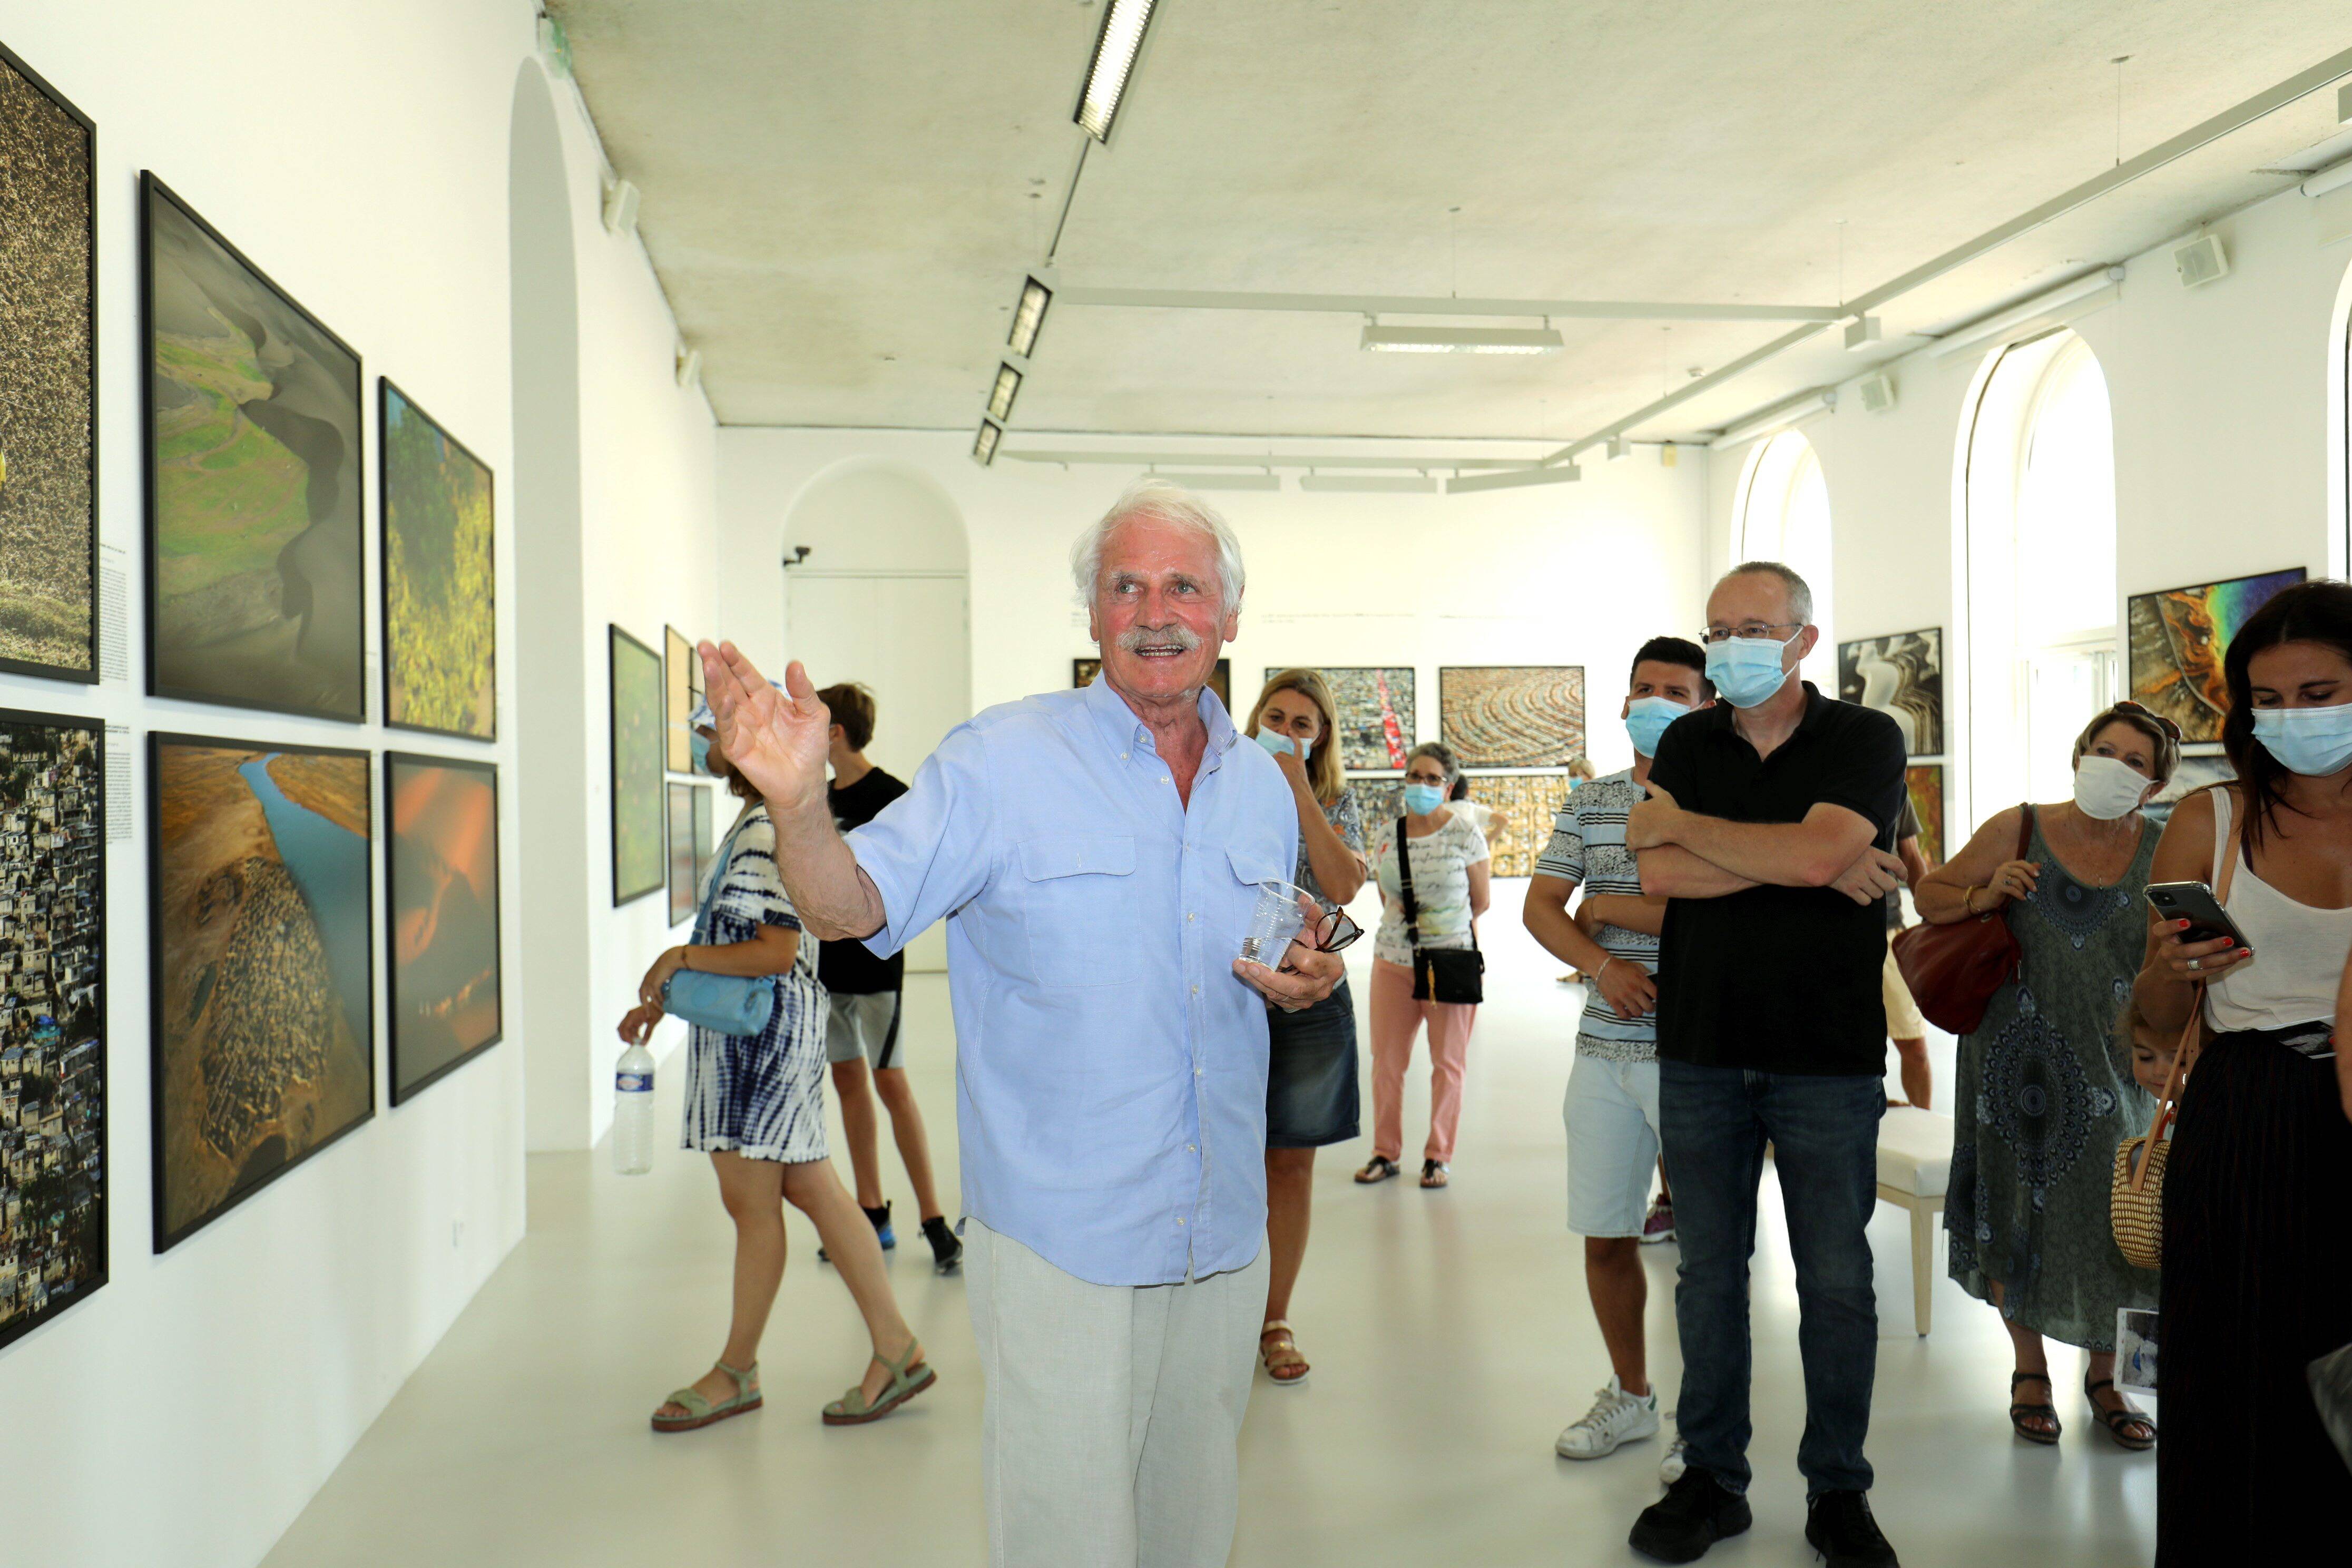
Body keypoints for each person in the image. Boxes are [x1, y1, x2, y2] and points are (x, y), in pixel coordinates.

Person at [697, 479, 1345, 1568]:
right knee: (1065, 1538)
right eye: (1125, 586)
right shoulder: (1002, 760)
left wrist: (1306, 976)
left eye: (1183, 587)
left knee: (1194, 1527)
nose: (1154, 613)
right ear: (1091, 613)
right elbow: (852, 909)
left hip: (1222, 1233)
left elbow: (1262, 947)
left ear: (1230, 615)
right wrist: (800, 807)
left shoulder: (1261, 788)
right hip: (1063, 1241)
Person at [1624, 562, 1909, 1568]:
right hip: (1700, 1046)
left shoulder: (1864, 737)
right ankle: (1711, 1478)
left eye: (1752, 628)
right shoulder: (1686, 740)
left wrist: (1729, 842)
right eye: (1716, 629)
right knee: (1706, 1274)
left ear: (1800, 639)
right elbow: (1657, 873)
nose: (1728, 646)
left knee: (1834, 1279)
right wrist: (1802, 860)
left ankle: (1837, 1490)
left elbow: (1811, 856)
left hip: (1824, 1053)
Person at [623, 703, 931, 1434]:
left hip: (757, 1049)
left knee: (753, 1206)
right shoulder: (763, 823)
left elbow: (774, 950)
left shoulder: (765, 828)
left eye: (711, 735)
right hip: (759, 1039)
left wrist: (676, 958)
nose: (704, 745)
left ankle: (737, 1371)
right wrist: (667, 993)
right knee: (811, 1188)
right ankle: (897, 1349)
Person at [2132, 580, 2352, 1562]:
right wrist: (2171, 970)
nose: (2292, 718)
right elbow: (2154, 1021)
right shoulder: (2211, 819)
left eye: (2318, 694)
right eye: (2268, 700)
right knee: (2237, 1379)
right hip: (2247, 1117)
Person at [1915, 701, 2175, 1450]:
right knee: (2015, 1205)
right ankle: (2028, 1368)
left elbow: (2181, 954)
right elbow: (1930, 896)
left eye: (2135, 761)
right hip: (2012, 1061)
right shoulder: (2020, 826)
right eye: (2104, 750)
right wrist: (1985, 892)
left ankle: (2108, 1376)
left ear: (2155, 785)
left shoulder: (2166, 848)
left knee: (2122, 1216)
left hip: (2122, 1063)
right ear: (2079, 754)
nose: (2114, 767)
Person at [1523, 636, 1712, 1465]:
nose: (1656, 703)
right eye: (1644, 688)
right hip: (1603, 1051)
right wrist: (1603, 964)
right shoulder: (1593, 799)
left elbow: (1726, 916)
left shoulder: (1725, 800)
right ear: (1623, 701)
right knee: (1606, 1235)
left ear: (1708, 706)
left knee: (1708, 1253)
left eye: (1677, 691)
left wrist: (1607, 910)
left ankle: (1705, 1428)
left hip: (1697, 1053)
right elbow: (1540, 906)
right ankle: (1631, 1396)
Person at [1243, 669, 1368, 1387]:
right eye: (1276, 718)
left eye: (1302, 725)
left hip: (1311, 1002)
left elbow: (1344, 886)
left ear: (1320, 739)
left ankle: (1274, 1318)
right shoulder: (1217, 785)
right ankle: (1215, 1309)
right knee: (1216, 1156)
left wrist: (1298, 791)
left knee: (1290, 1164)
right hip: (1227, 997)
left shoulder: (1336, 800)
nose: (1286, 732)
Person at [812, 680, 961, 1273]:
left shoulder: (894, 797)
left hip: (877, 970)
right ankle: (872, 1211)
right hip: (827, 973)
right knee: (848, 1083)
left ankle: (933, 1219)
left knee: (891, 1085)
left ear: (835, 733)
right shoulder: (816, 800)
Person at [1357, 741, 1490, 1191]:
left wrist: (1440, 928)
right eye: (1415, 776)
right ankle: (1385, 1152)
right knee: (1386, 1064)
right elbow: (1386, 898)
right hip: (1392, 960)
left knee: (1448, 1064)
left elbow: (1481, 901)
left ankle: (1438, 1156)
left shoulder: (1465, 834)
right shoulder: (1387, 835)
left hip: (1449, 963)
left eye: (1433, 779)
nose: (1422, 785)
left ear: (1448, 787)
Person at [1883, 798, 1934, 1108]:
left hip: (1888, 932)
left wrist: (1933, 913)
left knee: (1915, 1047)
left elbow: (1912, 856)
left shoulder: (1893, 785)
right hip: (1828, 935)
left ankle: (1924, 1122)